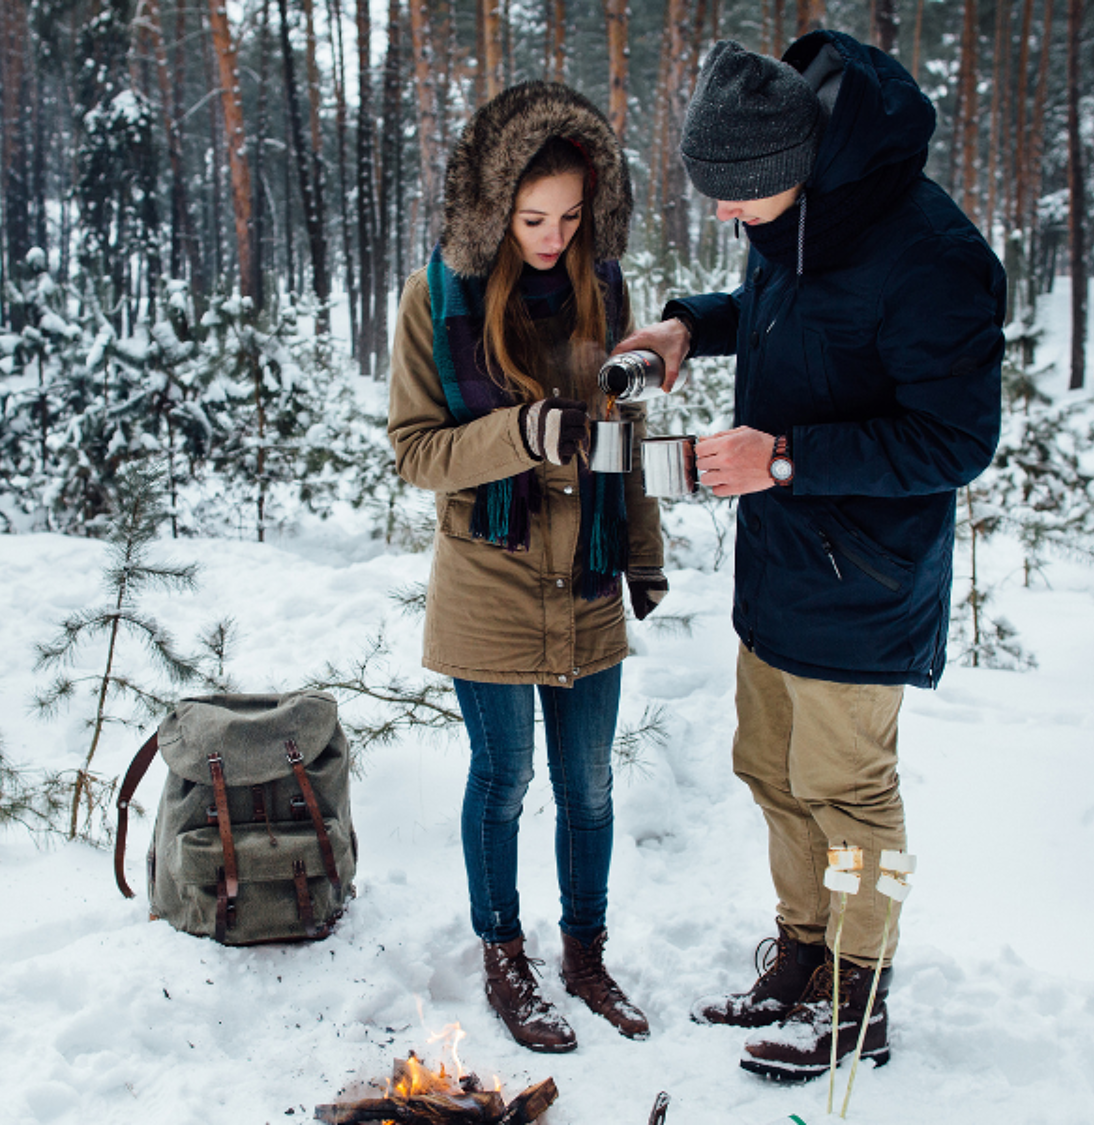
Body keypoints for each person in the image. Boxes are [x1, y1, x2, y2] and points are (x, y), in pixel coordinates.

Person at [612, 32, 1004, 1080]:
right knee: (772, 775)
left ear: (791, 168)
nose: (723, 219)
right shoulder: (796, 210)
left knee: (846, 792)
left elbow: (957, 441)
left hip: (864, 583)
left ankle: (858, 1000)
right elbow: (792, 315)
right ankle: (801, 952)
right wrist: (687, 326)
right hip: (781, 568)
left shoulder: (933, 257)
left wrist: (781, 456)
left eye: (735, 201)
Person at [387, 81, 667, 1054]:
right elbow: (417, 449)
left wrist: (640, 551)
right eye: (532, 216)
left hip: (584, 580)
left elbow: (623, 433)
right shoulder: (438, 296)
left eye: (572, 217)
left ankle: (583, 954)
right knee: (502, 778)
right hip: (490, 580)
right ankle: (504, 955)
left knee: (587, 786)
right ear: (494, 206)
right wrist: (515, 433)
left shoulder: (606, 290)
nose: (552, 237)